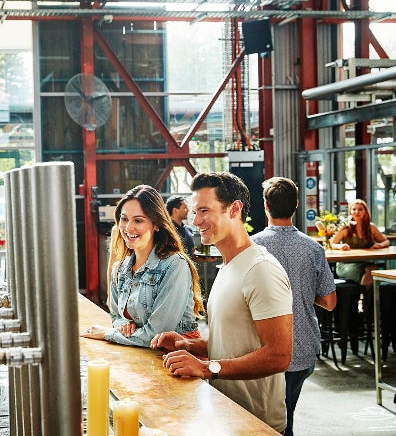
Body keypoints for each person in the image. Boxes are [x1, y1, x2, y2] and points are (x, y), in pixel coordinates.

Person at [150, 172, 293, 433]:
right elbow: (235, 341)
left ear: (234, 209)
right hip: (227, 415)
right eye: (194, 212)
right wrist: (189, 344)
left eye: (204, 210)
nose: (195, 221)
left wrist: (206, 368)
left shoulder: (260, 269)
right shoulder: (228, 265)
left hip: (257, 424)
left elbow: (279, 355)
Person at [251, 177, 336, 436]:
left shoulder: (252, 247)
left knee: (270, 423)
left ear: (266, 206)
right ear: (297, 205)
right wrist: (303, 292)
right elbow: (330, 302)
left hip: (262, 348)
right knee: (285, 417)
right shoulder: (313, 248)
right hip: (302, 347)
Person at [81, 184, 205, 347]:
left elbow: (155, 336)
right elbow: (115, 315)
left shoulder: (175, 265)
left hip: (180, 357)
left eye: (138, 220)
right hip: (141, 354)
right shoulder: (120, 269)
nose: (128, 228)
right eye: (124, 219)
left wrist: (107, 333)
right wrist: (123, 325)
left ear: (156, 224)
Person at [331, 198, 389, 290]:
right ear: (350, 211)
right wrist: (340, 246)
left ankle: (369, 300)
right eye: (354, 209)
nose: (357, 212)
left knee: (373, 269)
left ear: (365, 211)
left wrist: (380, 245)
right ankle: (368, 302)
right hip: (346, 264)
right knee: (370, 273)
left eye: (360, 209)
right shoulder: (346, 227)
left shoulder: (371, 227)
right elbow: (332, 244)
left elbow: (386, 241)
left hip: (366, 263)